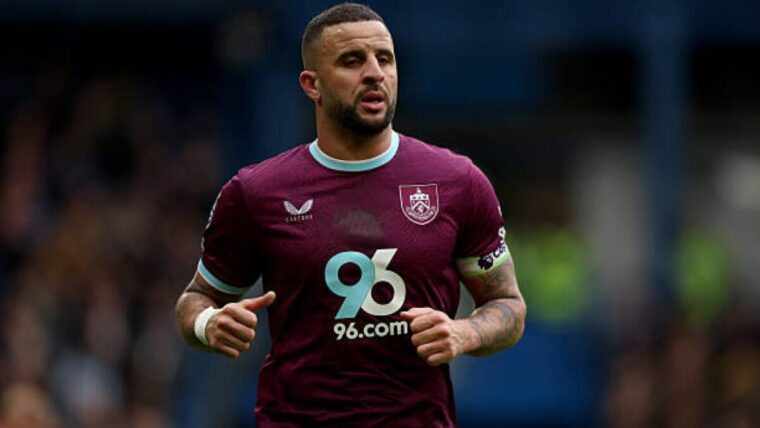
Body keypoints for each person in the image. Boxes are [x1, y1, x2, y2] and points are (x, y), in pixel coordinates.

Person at [175, 3, 527, 426]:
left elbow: (508, 305)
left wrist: (463, 332)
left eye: (385, 59)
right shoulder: (256, 192)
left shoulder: (457, 182)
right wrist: (209, 323)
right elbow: (195, 300)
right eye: (352, 61)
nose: (375, 73)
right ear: (312, 85)